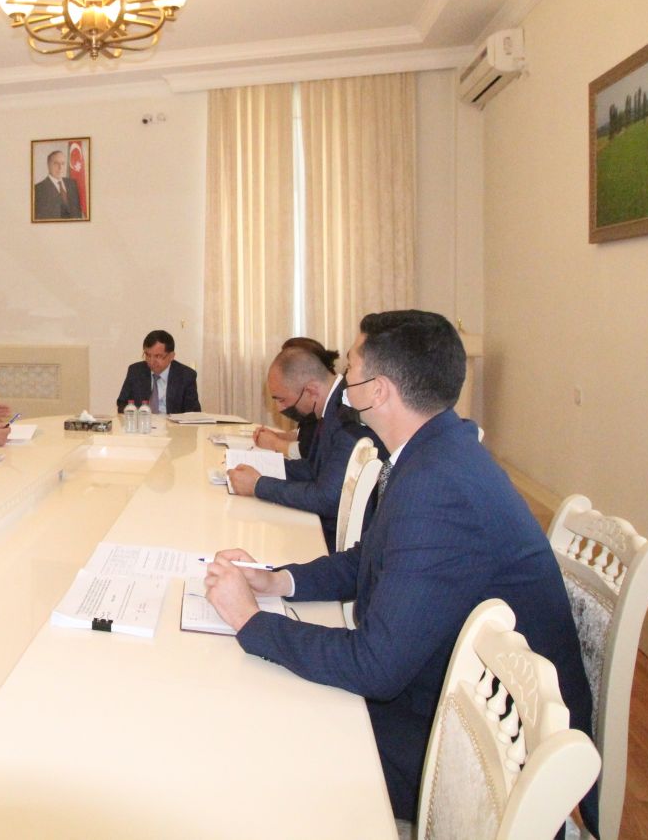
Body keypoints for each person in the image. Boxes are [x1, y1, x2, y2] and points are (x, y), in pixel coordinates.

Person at [204, 311, 593, 828]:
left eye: (352, 365)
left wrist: (251, 620)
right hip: (445, 687)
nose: (344, 376)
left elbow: (375, 667)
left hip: (472, 753)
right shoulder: (436, 450)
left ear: (378, 390)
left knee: (257, 734)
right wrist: (278, 580)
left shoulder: (438, 487)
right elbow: (371, 556)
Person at [224, 341, 383, 551]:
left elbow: (327, 497)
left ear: (311, 391)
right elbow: (313, 468)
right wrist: (259, 465)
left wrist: (258, 485)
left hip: (333, 543)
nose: (279, 408)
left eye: (282, 400)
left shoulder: (346, 414)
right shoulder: (330, 408)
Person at [251, 336, 338, 457]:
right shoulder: (320, 403)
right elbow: (306, 435)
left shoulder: (337, 407)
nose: (280, 408)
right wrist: (280, 437)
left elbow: (310, 453)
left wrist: (275, 443)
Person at [114, 330, 200, 414]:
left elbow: (193, 413)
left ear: (171, 356)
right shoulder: (135, 371)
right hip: (143, 422)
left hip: (172, 423)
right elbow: (122, 404)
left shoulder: (186, 376)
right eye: (148, 355)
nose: (151, 361)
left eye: (158, 356)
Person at [32, 149, 83, 220]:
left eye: (63, 163)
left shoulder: (72, 184)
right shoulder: (38, 189)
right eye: (56, 163)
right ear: (48, 165)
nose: (60, 167)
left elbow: (77, 213)